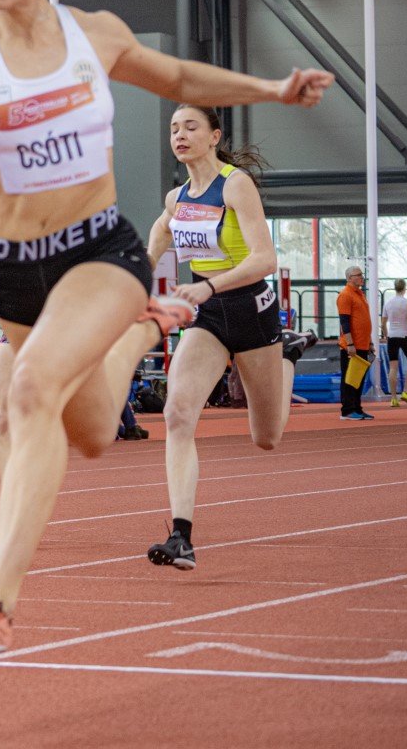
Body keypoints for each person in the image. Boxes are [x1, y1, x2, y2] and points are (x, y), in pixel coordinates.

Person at [0, 0, 331, 657]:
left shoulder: (95, 33)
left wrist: (274, 90)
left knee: (27, 390)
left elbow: (179, 74)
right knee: (88, 430)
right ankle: (143, 330)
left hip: (98, 251)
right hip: (16, 266)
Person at [143, 105, 309, 570]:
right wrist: (136, 271)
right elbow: (159, 234)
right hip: (209, 315)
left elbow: (265, 259)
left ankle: (287, 354)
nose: (180, 135)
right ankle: (181, 537)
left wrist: (210, 285)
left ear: (214, 136)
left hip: (251, 309)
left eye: (191, 127)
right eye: (173, 128)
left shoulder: (235, 185)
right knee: (177, 412)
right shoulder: (176, 198)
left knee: (266, 437)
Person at [336, 265, 375, 421]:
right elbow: (344, 322)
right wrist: (350, 344)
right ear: (349, 278)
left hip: (363, 344)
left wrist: (370, 342)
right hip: (351, 346)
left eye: (361, 274)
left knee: (358, 379)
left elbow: (364, 320)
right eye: (358, 275)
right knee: (349, 379)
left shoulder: (360, 294)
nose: (361, 277)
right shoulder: (345, 295)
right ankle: (347, 411)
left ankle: (357, 408)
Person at [381, 279, 407, 406]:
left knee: (393, 367)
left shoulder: (388, 303)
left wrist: (387, 336)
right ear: (404, 288)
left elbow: (383, 324)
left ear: (395, 288)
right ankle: (405, 392)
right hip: (405, 335)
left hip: (392, 336)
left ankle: (393, 398)